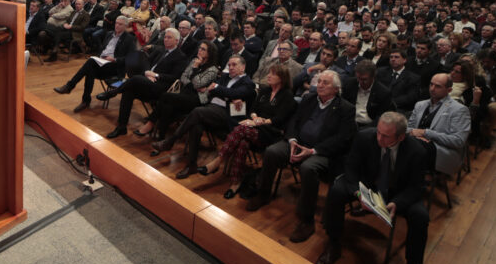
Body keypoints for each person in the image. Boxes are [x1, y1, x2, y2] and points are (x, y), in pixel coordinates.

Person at [317, 112, 429, 264]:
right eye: (378, 132)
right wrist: (360, 194)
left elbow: (417, 188)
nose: (379, 138)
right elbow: (350, 168)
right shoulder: (364, 137)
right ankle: (333, 243)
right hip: (367, 186)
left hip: (397, 193)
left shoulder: (417, 151)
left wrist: (398, 203)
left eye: (385, 136)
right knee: (336, 191)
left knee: (420, 216)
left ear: (401, 137)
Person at [246, 70, 357, 244]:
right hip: (297, 144)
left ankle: (306, 220)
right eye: (319, 81)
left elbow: (342, 139)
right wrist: (292, 140)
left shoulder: (345, 109)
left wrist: (312, 151)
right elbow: (294, 122)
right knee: (272, 152)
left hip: (322, 152)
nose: (320, 84)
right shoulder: (309, 99)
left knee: (308, 168)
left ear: (336, 89)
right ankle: (263, 193)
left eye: (325, 82)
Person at [199, 63, 297, 199]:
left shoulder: (287, 96)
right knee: (242, 142)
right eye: (269, 72)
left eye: (273, 74)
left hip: (271, 133)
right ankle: (235, 182)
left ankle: (218, 160)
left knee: (241, 129)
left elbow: (279, 119)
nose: (268, 76)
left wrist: (259, 122)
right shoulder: (265, 91)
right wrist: (255, 118)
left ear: (282, 78)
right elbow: (252, 110)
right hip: (254, 129)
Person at [153, 55, 256, 178]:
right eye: (229, 65)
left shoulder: (248, 83)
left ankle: (171, 140)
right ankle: (191, 165)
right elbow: (211, 92)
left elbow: (233, 92)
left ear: (243, 67)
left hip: (227, 116)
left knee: (197, 111)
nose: (231, 67)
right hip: (211, 110)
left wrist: (219, 90)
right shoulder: (224, 77)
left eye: (234, 65)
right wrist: (226, 95)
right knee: (196, 125)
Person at [101, 28, 188, 138]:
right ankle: (121, 127)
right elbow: (146, 63)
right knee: (128, 91)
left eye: (169, 37)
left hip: (160, 88)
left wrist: (155, 75)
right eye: (165, 37)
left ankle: (113, 93)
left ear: (176, 40)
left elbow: (174, 77)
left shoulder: (180, 56)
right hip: (147, 82)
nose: (166, 39)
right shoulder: (160, 50)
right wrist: (147, 73)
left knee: (136, 79)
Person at [52, 15, 136, 112]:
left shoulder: (129, 39)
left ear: (125, 26)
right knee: (90, 70)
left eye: (120, 24)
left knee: (90, 63)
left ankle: (71, 87)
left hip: (114, 68)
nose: (117, 26)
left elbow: (130, 59)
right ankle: (85, 100)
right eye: (116, 23)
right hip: (102, 63)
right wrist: (101, 56)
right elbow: (103, 49)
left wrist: (115, 59)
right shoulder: (109, 34)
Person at [408, 74, 471, 178]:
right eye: (431, 84)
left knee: (410, 148)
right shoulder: (420, 104)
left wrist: (426, 133)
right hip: (415, 144)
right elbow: (409, 128)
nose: (432, 89)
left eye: (438, 86)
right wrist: (416, 135)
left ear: (449, 90)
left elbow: (458, 141)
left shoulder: (459, 110)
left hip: (441, 150)